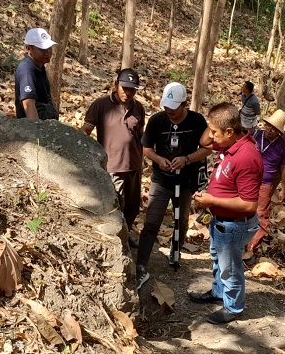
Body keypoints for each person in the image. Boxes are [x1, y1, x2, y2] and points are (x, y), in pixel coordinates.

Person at [190, 102, 263, 324]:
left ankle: (233, 308)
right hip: (220, 221)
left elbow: (249, 205)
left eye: (215, 131)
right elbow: (203, 142)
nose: (211, 136)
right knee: (218, 260)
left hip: (234, 224)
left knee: (230, 269)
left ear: (229, 132)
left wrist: (212, 200)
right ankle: (218, 293)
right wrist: (215, 119)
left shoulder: (246, 157)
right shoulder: (230, 144)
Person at [135, 82, 211, 290]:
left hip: (185, 181)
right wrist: (159, 160)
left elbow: (207, 148)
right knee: (152, 220)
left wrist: (187, 159)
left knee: (182, 219)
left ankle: (175, 252)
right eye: (166, 107)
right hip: (161, 180)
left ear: (184, 104)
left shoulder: (196, 121)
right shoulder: (158, 121)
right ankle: (141, 264)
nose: (169, 112)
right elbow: (146, 148)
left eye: (173, 108)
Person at [81, 68, 145, 246]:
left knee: (133, 205)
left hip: (134, 165)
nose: (128, 92)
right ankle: (116, 239)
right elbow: (86, 130)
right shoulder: (101, 105)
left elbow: (140, 135)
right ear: (116, 85)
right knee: (116, 204)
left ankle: (127, 233)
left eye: (132, 89)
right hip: (112, 166)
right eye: (124, 88)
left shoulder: (138, 108)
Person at [245, 109, 285, 265]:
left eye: (274, 128)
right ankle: (236, 245)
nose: (270, 129)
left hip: (265, 184)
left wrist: (283, 188)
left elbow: (284, 168)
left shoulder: (283, 146)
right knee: (241, 211)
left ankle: (251, 250)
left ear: (279, 132)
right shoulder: (255, 135)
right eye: (269, 126)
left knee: (261, 216)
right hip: (248, 180)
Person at [15, 28, 59, 120]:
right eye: (42, 49)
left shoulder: (39, 67)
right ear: (28, 48)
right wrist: (37, 132)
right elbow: (29, 105)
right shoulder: (26, 70)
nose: (47, 52)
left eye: (49, 48)